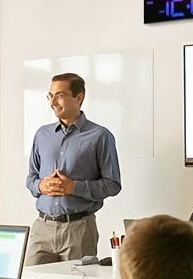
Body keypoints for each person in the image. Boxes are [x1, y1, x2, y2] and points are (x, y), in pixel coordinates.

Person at [25, 72, 121, 265]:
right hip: (42, 228)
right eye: (50, 96)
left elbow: (112, 185)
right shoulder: (42, 135)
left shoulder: (100, 136)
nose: (53, 102)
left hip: (79, 230)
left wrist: (74, 187)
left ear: (79, 97)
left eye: (59, 95)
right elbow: (31, 178)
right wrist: (41, 186)